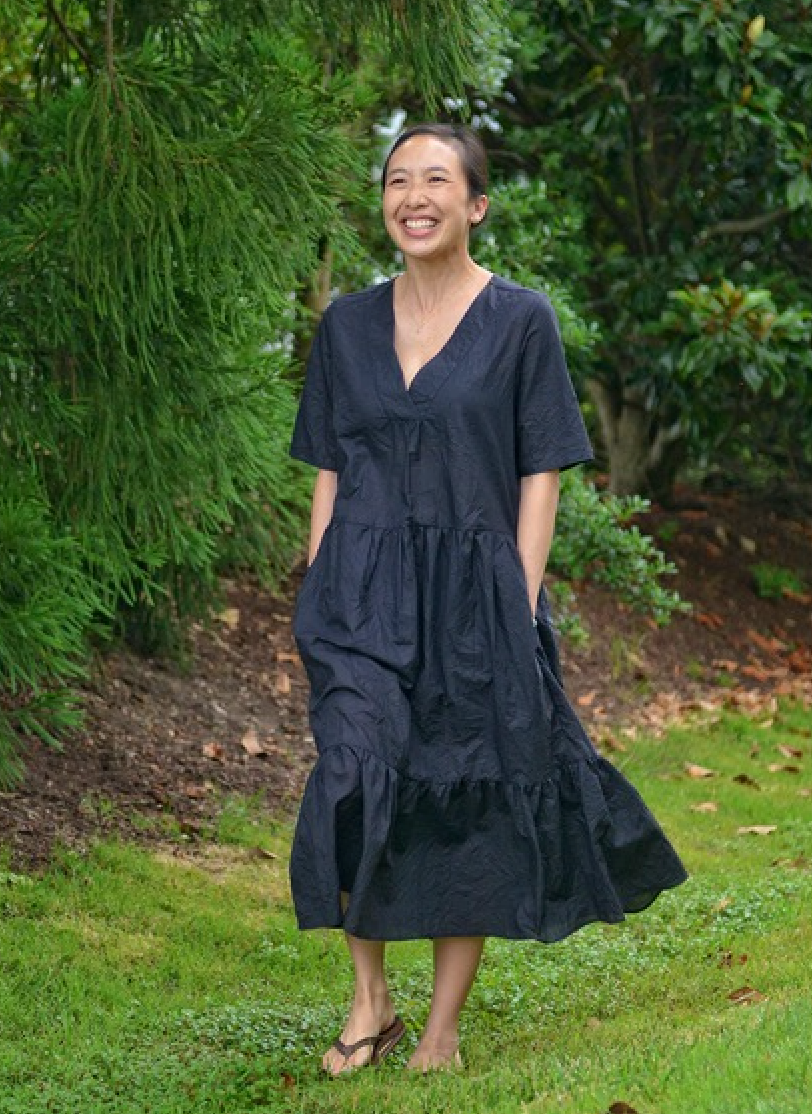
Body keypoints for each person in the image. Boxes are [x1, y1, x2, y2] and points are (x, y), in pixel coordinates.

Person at [288, 123, 688, 1076]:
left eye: (436, 180)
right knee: (352, 772)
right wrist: (319, 590)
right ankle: (370, 998)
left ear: (475, 205)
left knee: (461, 795)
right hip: (361, 593)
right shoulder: (346, 327)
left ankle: (439, 1029)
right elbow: (332, 469)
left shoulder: (521, 321)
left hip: (478, 598)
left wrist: (518, 598)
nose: (412, 196)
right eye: (396, 180)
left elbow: (541, 472)